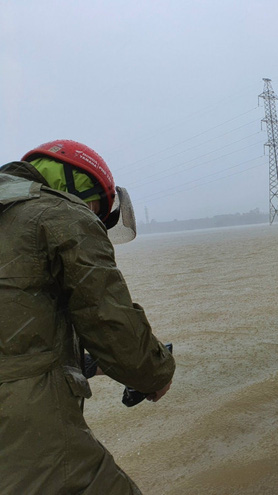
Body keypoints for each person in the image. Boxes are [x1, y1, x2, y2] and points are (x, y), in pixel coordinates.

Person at [0, 140, 175, 494]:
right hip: (23, 424)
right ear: (76, 184)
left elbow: (17, 327)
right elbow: (110, 319)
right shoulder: (59, 213)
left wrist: (84, 362)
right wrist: (155, 374)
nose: (95, 217)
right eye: (98, 206)